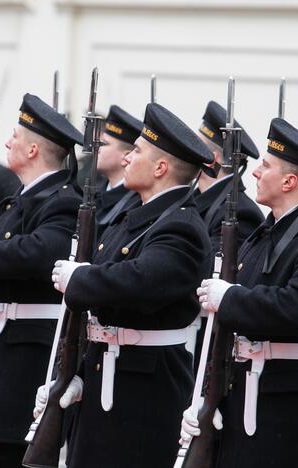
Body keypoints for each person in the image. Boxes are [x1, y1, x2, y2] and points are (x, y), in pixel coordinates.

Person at [45, 102, 213, 468]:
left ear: (160, 167)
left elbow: (142, 280)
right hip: (108, 371)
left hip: (145, 384)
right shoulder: (137, 215)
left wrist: (80, 277)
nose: (125, 159)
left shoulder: (180, 226)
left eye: (136, 151)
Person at [186, 117, 298, 468]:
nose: (254, 173)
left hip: (291, 403)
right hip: (246, 393)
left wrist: (229, 298)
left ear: (289, 181)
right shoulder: (270, 232)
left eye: (265, 166)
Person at [0, 93, 82, 468]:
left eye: (15, 137)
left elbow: (40, 251)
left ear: (34, 150)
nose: (6, 143)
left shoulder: (63, 200)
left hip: (28, 352)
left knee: (14, 455)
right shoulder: (18, 199)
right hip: (0, 345)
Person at [194, 100, 263, 251]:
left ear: (210, 159)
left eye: (195, 146)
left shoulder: (239, 212)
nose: (189, 150)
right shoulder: (190, 198)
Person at [94, 105, 142, 237]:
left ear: (126, 156)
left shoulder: (134, 201)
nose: (97, 148)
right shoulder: (97, 193)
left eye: (104, 144)